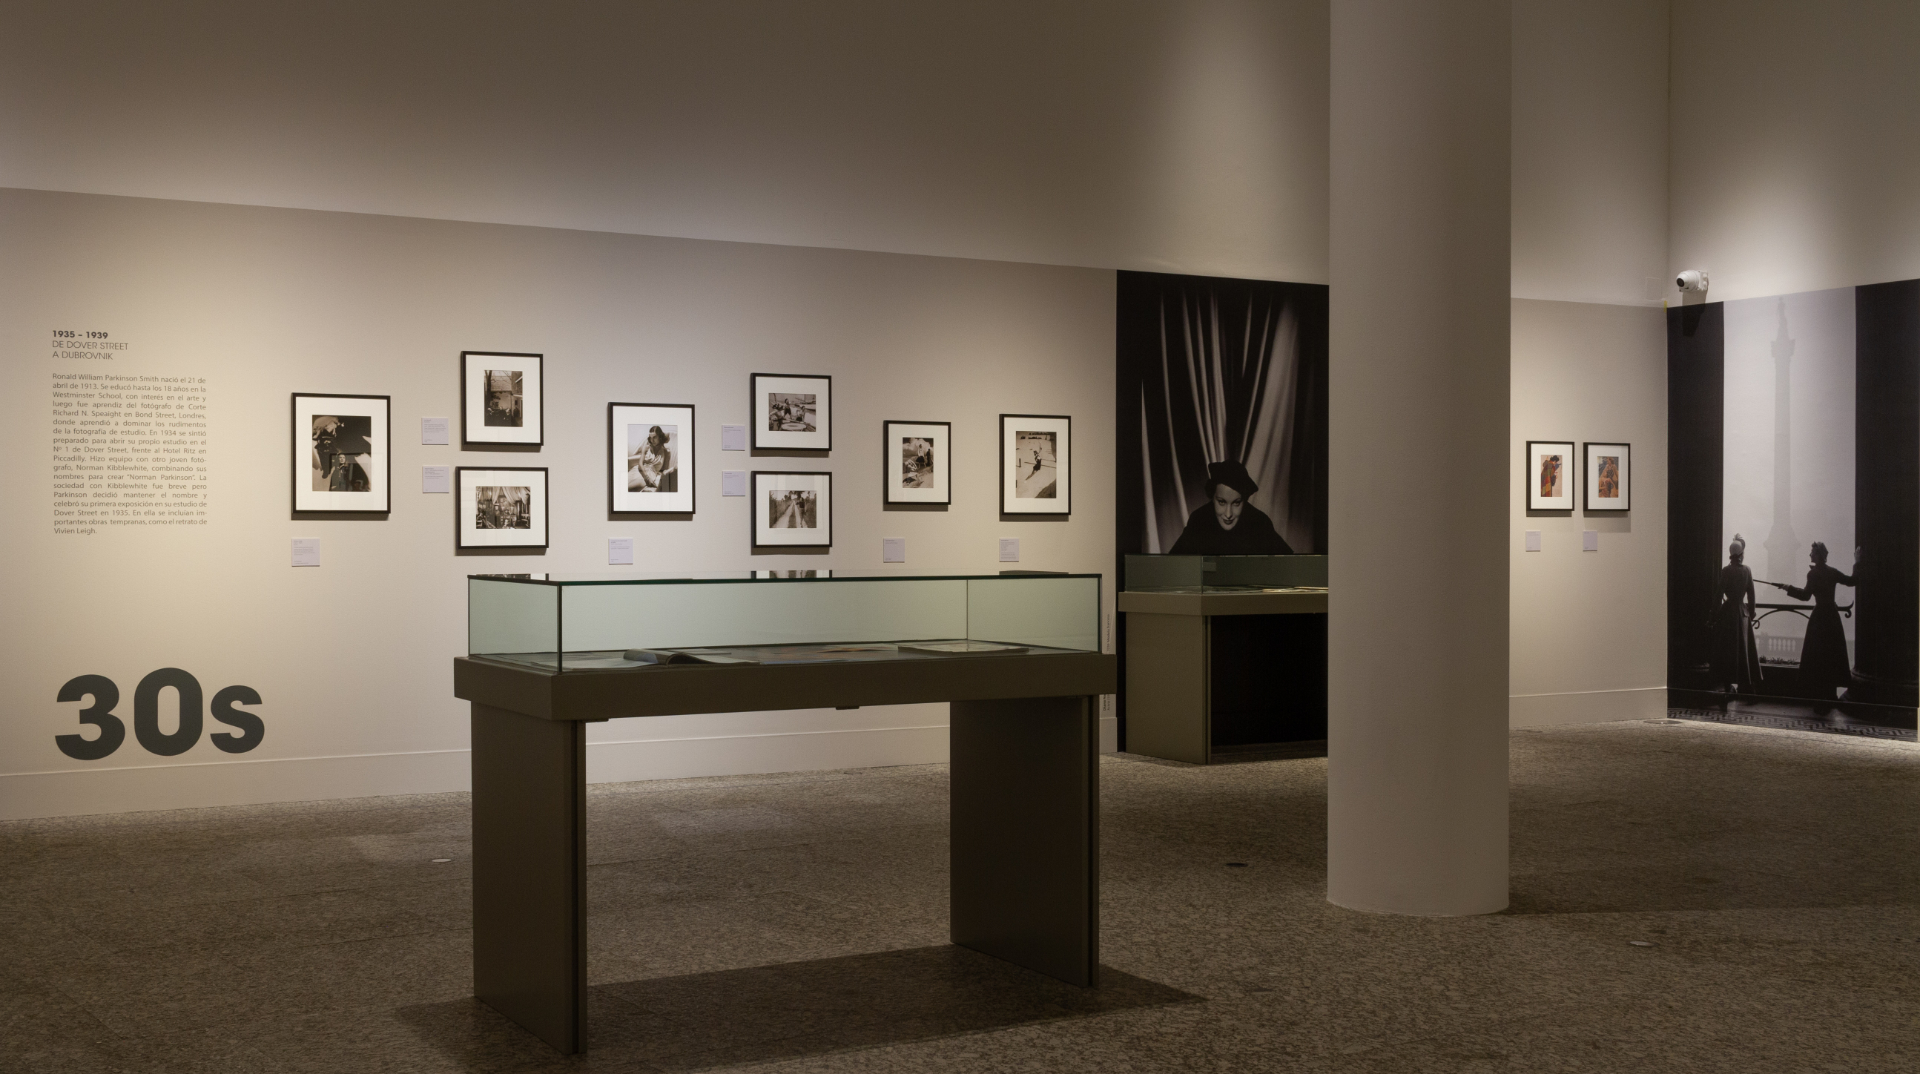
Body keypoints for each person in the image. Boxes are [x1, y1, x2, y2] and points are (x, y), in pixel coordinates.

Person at [1168, 460, 1295, 555]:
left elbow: (1289, 565)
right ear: (1213, 497)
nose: (1228, 514)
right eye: (1221, 502)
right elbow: (1174, 566)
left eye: (1236, 503)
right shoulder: (1198, 520)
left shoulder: (1260, 523)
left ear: (1244, 500)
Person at [1781, 542, 1857, 701]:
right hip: (1832, 617)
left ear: (1818, 556)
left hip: (1819, 618)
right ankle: (1830, 694)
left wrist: (1788, 588)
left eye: (1812, 553)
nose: (1810, 555)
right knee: (1831, 654)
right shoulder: (1832, 572)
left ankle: (1819, 696)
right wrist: (1857, 562)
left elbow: (1805, 596)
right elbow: (1851, 581)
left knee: (1817, 655)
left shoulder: (1813, 574)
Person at [1708, 533, 1760, 693]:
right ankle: (1746, 684)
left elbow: (1718, 595)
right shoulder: (1747, 571)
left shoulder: (1726, 571)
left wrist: (1712, 616)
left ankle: (1727, 684)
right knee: (1743, 650)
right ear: (1741, 555)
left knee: (1726, 650)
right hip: (1742, 614)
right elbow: (1751, 594)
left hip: (1727, 613)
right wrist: (1751, 612)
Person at [631, 426, 672, 492]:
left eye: (654, 437)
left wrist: (658, 481)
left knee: (633, 487)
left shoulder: (666, 452)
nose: (652, 440)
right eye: (650, 438)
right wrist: (647, 478)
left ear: (660, 437)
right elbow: (640, 464)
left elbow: (664, 471)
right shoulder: (646, 447)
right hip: (640, 471)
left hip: (652, 474)